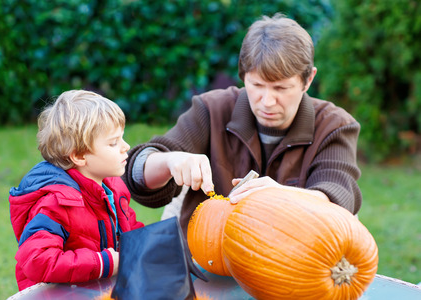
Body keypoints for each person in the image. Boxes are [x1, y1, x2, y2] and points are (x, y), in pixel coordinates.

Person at [123, 14, 362, 236]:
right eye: (257, 85)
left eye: (281, 88)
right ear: (243, 75)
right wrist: (168, 161)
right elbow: (137, 174)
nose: (267, 101)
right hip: (204, 264)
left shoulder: (334, 125)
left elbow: (339, 199)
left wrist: (283, 196)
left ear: (308, 79)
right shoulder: (211, 110)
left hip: (294, 263)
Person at [9, 90, 144, 291]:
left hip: (98, 290)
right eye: (113, 143)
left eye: (122, 138)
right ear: (79, 156)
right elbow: (36, 260)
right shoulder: (56, 203)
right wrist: (103, 263)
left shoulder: (113, 189)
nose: (125, 147)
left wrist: (147, 248)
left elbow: (130, 231)